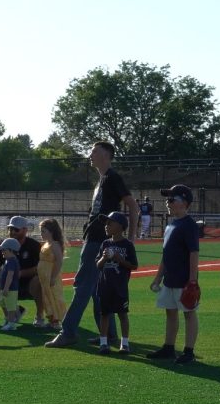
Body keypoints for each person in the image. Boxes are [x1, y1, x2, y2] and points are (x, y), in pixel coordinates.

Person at [46, 141, 139, 348]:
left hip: (98, 241)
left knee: (82, 286)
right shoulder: (101, 180)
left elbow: (133, 206)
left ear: (106, 155)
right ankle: (111, 336)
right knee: (97, 289)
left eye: (94, 151)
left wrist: (130, 238)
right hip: (95, 238)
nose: (90, 154)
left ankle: (68, 331)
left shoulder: (112, 177)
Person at [148, 184, 200, 364]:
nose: (167, 203)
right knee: (170, 313)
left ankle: (189, 351)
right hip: (170, 280)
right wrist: (157, 278)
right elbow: (166, 255)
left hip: (184, 280)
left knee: (189, 313)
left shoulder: (189, 225)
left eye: (171, 199)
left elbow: (194, 253)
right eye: (167, 200)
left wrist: (192, 281)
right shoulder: (171, 225)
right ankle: (169, 348)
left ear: (184, 203)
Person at [0, 216, 42, 325]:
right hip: (9, 285)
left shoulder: (34, 245)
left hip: (29, 285)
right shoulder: (4, 244)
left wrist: (20, 273)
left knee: (39, 282)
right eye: (10, 229)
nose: (12, 232)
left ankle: (39, 316)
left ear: (25, 230)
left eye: (16, 229)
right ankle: (14, 312)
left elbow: (40, 269)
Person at [96, 212, 138, 354]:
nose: (106, 226)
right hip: (105, 286)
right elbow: (98, 265)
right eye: (106, 223)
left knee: (122, 314)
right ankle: (103, 343)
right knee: (104, 314)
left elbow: (134, 265)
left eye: (110, 223)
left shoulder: (127, 245)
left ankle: (124, 343)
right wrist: (103, 258)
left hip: (120, 287)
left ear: (120, 226)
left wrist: (119, 259)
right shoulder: (105, 243)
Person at [37, 218, 69, 330]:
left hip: (51, 277)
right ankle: (52, 320)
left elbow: (59, 261)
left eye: (43, 231)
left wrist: (53, 277)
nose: (41, 234)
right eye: (41, 231)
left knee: (55, 297)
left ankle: (58, 321)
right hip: (44, 278)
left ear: (51, 232)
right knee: (46, 298)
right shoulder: (46, 244)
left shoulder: (54, 245)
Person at [0, 238, 22, 331]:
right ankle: (8, 320)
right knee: (3, 303)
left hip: (11, 289)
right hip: (5, 288)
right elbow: (5, 273)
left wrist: (6, 288)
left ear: (11, 250)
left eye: (4, 249)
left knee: (10, 307)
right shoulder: (8, 260)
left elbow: (10, 276)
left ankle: (11, 324)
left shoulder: (11, 261)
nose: (2, 251)